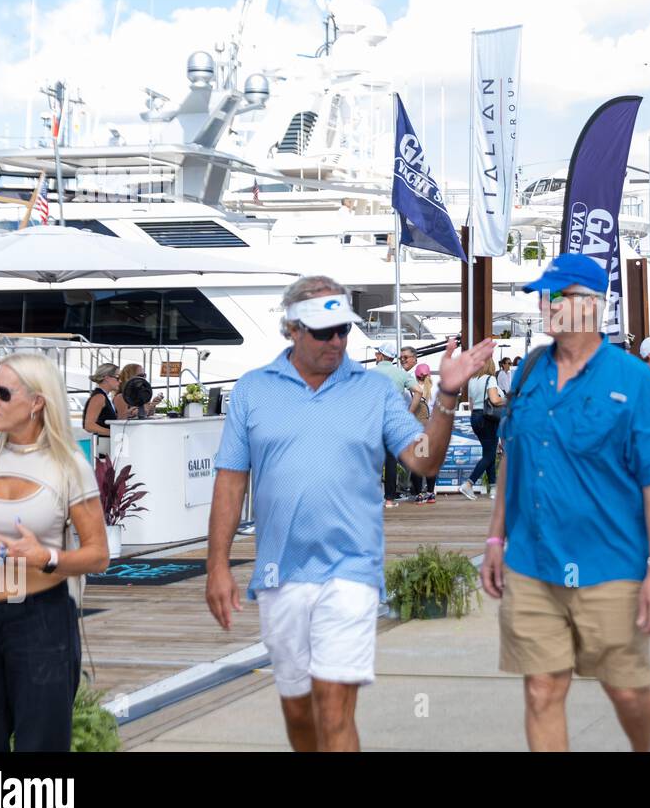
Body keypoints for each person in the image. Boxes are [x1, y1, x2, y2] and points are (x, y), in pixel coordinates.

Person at [206, 275, 493, 752]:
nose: (337, 340)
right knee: (299, 710)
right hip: (280, 573)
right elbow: (230, 480)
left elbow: (424, 460)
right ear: (292, 330)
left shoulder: (374, 392)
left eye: (343, 329)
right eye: (324, 331)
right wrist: (216, 565)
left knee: (334, 707)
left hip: (352, 570)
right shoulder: (254, 391)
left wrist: (446, 398)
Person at [479, 253, 650, 752]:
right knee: (542, 687)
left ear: (594, 306)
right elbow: (514, 459)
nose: (548, 306)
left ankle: (644, 745)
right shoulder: (528, 372)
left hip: (611, 564)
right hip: (532, 562)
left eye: (560, 297)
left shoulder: (634, 380)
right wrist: (495, 536)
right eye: (545, 297)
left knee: (627, 690)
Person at [0, 352, 110, 751]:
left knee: (42, 748)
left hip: (42, 622)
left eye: (2, 392)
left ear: (37, 402)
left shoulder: (68, 465)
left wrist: (48, 558)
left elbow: (99, 555)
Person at [373, 342, 421, 507]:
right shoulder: (401, 374)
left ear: (381, 356)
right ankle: (389, 499)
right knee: (391, 460)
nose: (375, 356)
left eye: (377, 353)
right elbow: (419, 391)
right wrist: (410, 411)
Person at [462, 358, 506, 501]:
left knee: (488, 452)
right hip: (488, 418)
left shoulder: (472, 380)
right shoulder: (491, 379)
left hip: (475, 417)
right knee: (489, 454)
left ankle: (493, 487)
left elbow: (471, 403)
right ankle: (469, 483)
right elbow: (494, 400)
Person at [409, 362, 439, 504]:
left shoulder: (411, 390)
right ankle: (431, 493)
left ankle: (419, 494)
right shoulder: (435, 390)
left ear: (416, 376)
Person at [82, 362, 121, 441]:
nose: (120, 381)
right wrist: (113, 432)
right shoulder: (99, 397)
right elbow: (89, 426)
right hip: (101, 446)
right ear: (106, 378)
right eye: (117, 377)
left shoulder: (103, 396)